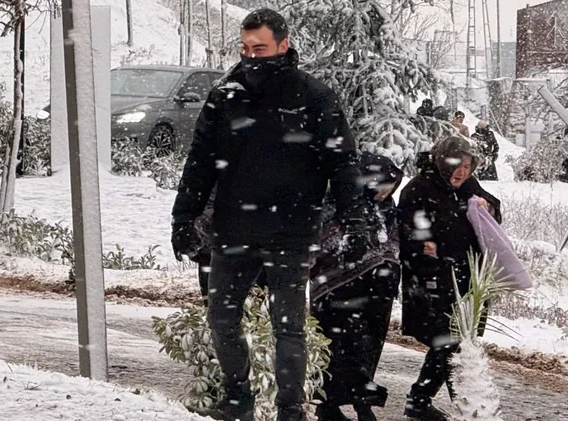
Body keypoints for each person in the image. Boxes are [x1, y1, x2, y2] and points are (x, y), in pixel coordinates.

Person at [170, 8, 365, 421]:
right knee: (221, 318)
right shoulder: (227, 95)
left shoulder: (313, 96)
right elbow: (200, 162)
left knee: (288, 326)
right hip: (233, 227)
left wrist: (356, 217)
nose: (252, 56)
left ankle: (289, 411)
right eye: (245, 48)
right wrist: (182, 219)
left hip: (291, 230)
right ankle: (237, 398)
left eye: (260, 48)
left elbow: (343, 162)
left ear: (284, 44)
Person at [397, 138, 501, 420]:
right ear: (443, 162)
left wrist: (487, 206)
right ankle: (462, 403)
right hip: (433, 277)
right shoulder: (419, 188)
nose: (463, 172)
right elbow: (405, 227)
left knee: (459, 340)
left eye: (468, 166)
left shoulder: (468, 186)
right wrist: (423, 244)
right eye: (458, 165)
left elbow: (494, 209)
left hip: (467, 277)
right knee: (449, 339)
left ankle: (425, 400)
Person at [309, 153, 403, 421]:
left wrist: (385, 264)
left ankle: (363, 402)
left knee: (366, 349)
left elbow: (392, 242)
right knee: (336, 349)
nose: (386, 194)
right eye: (382, 186)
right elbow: (324, 239)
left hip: (376, 293)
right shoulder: (338, 201)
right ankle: (327, 405)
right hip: (336, 293)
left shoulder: (386, 207)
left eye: (391, 188)